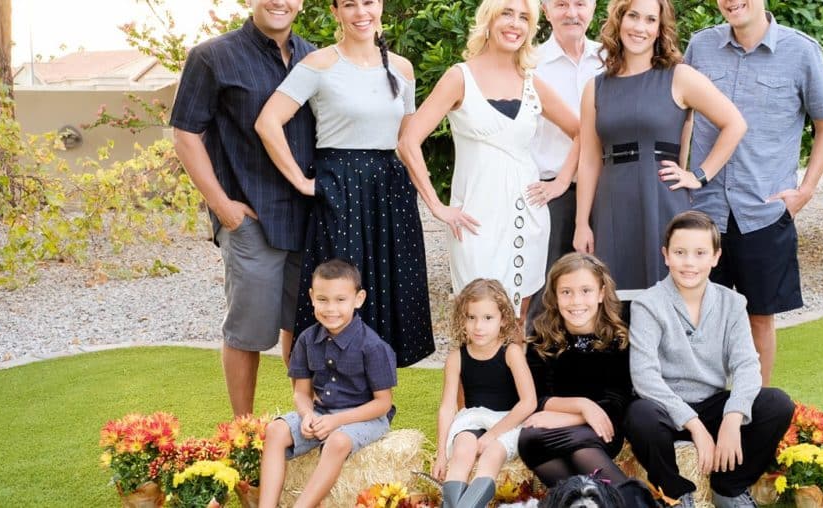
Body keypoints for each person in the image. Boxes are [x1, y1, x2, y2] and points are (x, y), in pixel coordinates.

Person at [255, 0, 435, 367]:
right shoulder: (319, 65)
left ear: (380, 6)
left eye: (368, 2)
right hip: (340, 189)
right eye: (349, 4)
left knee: (386, 290)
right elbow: (267, 122)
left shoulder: (402, 69)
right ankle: (327, 397)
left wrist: (431, 199)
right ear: (336, 12)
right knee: (340, 290)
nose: (360, 12)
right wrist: (303, 182)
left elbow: (406, 139)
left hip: (389, 190)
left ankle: (378, 403)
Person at [171, 0, 315, 416]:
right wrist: (222, 206)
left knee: (303, 325)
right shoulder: (212, 57)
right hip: (250, 216)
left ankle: (304, 422)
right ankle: (242, 431)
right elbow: (185, 134)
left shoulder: (315, 57)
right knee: (248, 332)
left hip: (308, 218)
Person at [684, 0, 823, 386]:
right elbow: (683, 114)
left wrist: (805, 190)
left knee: (759, 318)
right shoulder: (700, 46)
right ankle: (708, 409)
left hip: (763, 211)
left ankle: (755, 409)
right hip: (704, 211)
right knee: (699, 318)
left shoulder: (801, 51)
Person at [398, 0, 580, 320]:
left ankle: (516, 372)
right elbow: (408, 142)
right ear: (488, 20)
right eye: (506, 14)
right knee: (476, 320)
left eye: (524, 17)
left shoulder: (531, 82)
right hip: (475, 221)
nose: (515, 24)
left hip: (528, 217)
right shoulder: (460, 77)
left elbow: (582, 132)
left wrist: (561, 182)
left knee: (517, 323)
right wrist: (437, 206)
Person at [571, 0, 746, 294]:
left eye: (650, 20)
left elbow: (735, 123)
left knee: (668, 299)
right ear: (619, 20)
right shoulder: (595, 87)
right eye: (633, 17)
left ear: (659, 29)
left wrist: (699, 175)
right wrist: (581, 223)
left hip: (662, 200)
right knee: (614, 300)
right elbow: (589, 160)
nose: (640, 27)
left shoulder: (680, 77)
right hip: (611, 206)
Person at [625, 211, 795, 508]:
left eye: (700, 253)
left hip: (712, 404)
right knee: (639, 416)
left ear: (715, 257)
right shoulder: (647, 304)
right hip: (664, 409)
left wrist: (733, 417)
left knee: (777, 403)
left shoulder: (732, 303)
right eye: (680, 252)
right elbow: (645, 377)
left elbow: (745, 365)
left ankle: (729, 486)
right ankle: (675, 493)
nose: (689, 262)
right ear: (666, 255)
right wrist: (693, 425)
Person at [257, 259, 397, 508]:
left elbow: (383, 404)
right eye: (323, 299)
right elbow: (301, 393)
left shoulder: (372, 346)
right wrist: (307, 414)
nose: (331, 308)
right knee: (275, 431)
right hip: (322, 412)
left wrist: (335, 422)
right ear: (311, 297)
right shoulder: (306, 340)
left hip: (365, 418)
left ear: (359, 298)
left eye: (340, 300)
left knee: (337, 441)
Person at [522, 0, 604, 329]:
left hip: (605, 190)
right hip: (550, 194)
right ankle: (543, 376)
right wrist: (558, 183)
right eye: (561, 4)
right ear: (545, 9)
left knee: (602, 291)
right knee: (545, 294)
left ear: (594, 7)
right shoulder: (530, 63)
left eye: (580, 4)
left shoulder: (611, 58)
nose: (572, 13)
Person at [518, 253, 631, 487]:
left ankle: (634, 502)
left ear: (601, 293)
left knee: (580, 451)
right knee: (529, 440)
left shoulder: (617, 338)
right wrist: (582, 406)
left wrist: (578, 415)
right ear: (555, 297)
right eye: (566, 292)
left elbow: (617, 401)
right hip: (555, 429)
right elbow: (537, 398)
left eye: (586, 291)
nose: (576, 301)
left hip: (603, 429)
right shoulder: (542, 339)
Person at [432, 279, 538, 508]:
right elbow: (448, 407)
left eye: (488, 318)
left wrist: (491, 436)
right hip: (472, 418)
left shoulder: (512, 353)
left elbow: (529, 403)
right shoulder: (456, 357)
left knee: (491, 456)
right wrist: (441, 453)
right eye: (471, 317)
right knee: (462, 451)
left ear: (503, 320)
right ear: (462, 319)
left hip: (507, 420)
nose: (478, 326)